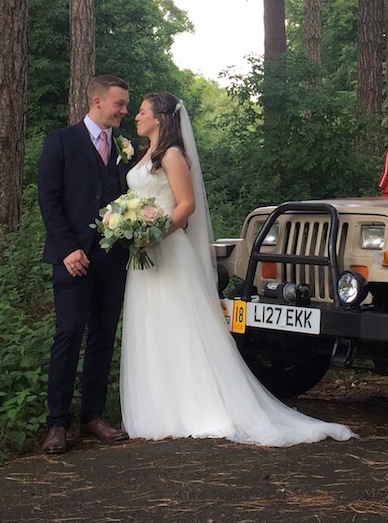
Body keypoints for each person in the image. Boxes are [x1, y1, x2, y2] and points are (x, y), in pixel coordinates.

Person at [120, 92, 355, 445]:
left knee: (178, 325)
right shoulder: (143, 157)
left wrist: (156, 234)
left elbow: (187, 205)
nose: (136, 116)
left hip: (167, 249)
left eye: (141, 111)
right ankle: (157, 405)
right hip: (145, 254)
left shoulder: (171, 156)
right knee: (151, 325)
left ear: (160, 117)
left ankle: (195, 405)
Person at [37, 75, 134, 454]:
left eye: (126, 106)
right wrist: (67, 249)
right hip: (72, 259)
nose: (124, 111)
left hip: (112, 260)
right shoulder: (60, 141)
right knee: (68, 335)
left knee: (102, 337)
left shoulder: (123, 148)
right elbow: (49, 199)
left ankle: (92, 417)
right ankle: (56, 424)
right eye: (119, 104)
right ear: (97, 102)